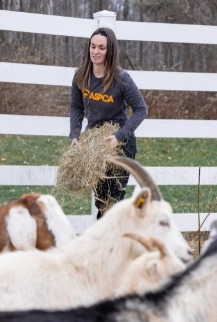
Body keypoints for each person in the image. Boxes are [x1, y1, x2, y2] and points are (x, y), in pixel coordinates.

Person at [69, 27, 148, 218]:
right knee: (101, 201)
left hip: (120, 145)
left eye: (101, 48)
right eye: (93, 46)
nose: (96, 52)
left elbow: (141, 109)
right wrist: (75, 134)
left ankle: (112, 244)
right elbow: (76, 107)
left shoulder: (121, 79)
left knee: (113, 202)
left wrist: (118, 136)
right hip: (95, 145)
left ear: (110, 50)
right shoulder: (81, 76)